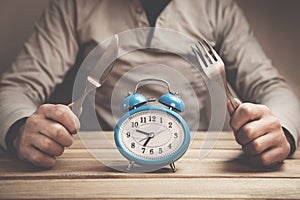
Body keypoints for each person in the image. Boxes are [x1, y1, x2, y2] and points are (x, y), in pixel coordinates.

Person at [0, 0, 299, 169]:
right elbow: (16, 88)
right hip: (111, 165)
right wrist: (19, 129)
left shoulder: (216, 6)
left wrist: (280, 131)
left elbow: (272, 86)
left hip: (193, 168)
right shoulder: (76, 4)